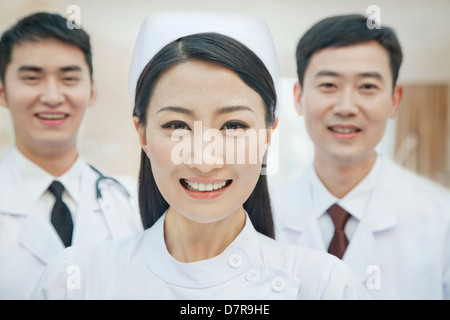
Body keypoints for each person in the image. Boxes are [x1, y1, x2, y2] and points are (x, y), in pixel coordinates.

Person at [32, 13, 369, 299]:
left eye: (233, 125)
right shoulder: (74, 281)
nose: (205, 160)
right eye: (177, 124)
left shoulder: (324, 286)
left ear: (268, 134)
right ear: (143, 133)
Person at [271, 14, 450, 299]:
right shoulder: (260, 219)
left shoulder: (442, 221)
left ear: (394, 101)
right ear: (298, 97)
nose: (346, 107)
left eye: (367, 86)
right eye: (329, 85)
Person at [0, 12, 142, 299]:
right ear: (2, 92)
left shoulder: (129, 202)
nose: (52, 96)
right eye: (32, 77)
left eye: (69, 78)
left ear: (91, 91)